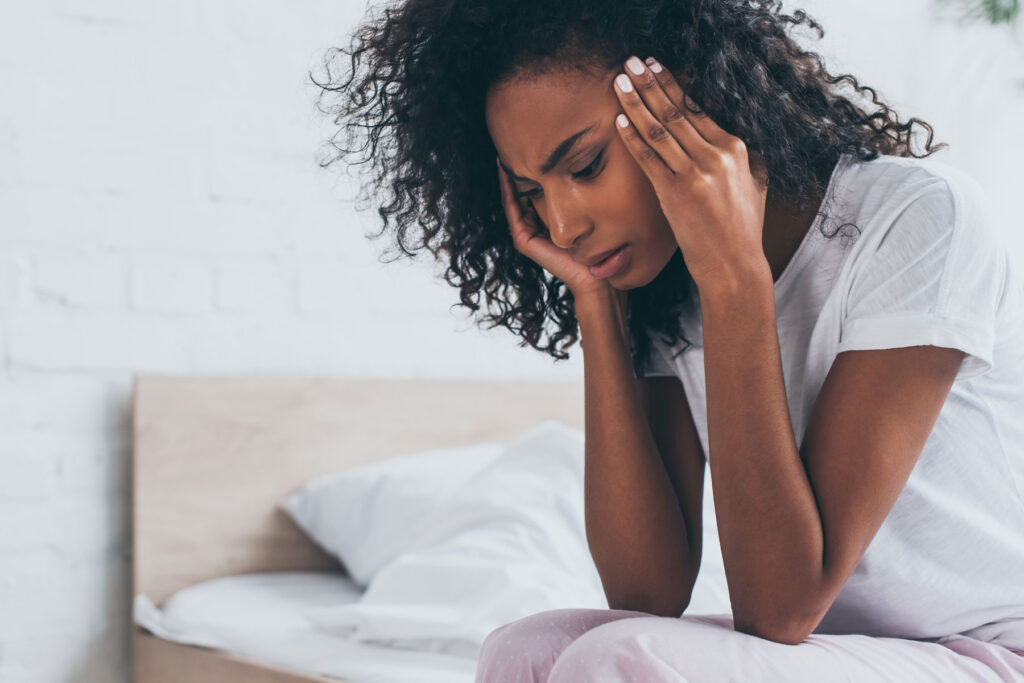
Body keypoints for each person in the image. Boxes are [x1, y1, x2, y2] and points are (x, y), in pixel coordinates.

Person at [315, 0, 1024, 679]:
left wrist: (736, 281)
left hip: (991, 650)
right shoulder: (667, 287)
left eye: (584, 166)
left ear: (690, 106)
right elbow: (646, 592)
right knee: (521, 651)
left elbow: (780, 604)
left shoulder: (917, 219)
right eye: (532, 193)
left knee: (616, 664)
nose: (562, 226)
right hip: (843, 653)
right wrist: (597, 306)